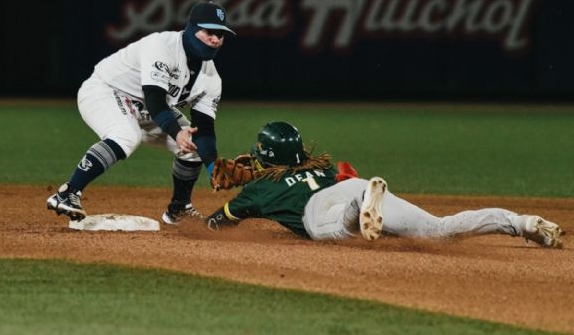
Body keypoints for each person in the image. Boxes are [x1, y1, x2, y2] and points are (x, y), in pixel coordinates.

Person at [205, 121, 564, 248]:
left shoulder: (259, 190)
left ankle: (358, 211)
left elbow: (217, 223)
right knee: (440, 229)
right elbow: (324, 172)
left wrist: (234, 201)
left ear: (267, 157)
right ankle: (522, 223)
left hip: (321, 209)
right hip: (353, 184)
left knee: (329, 229)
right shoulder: (323, 165)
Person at [47, 1, 235, 224]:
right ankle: (68, 193)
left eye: (221, 34)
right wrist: (176, 132)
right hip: (106, 91)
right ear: (192, 28)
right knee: (126, 135)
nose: (216, 39)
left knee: (193, 144)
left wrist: (214, 167)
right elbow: (155, 100)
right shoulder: (162, 47)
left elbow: (204, 128)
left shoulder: (211, 79)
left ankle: (178, 209)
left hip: (146, 108)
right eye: (209, 32)